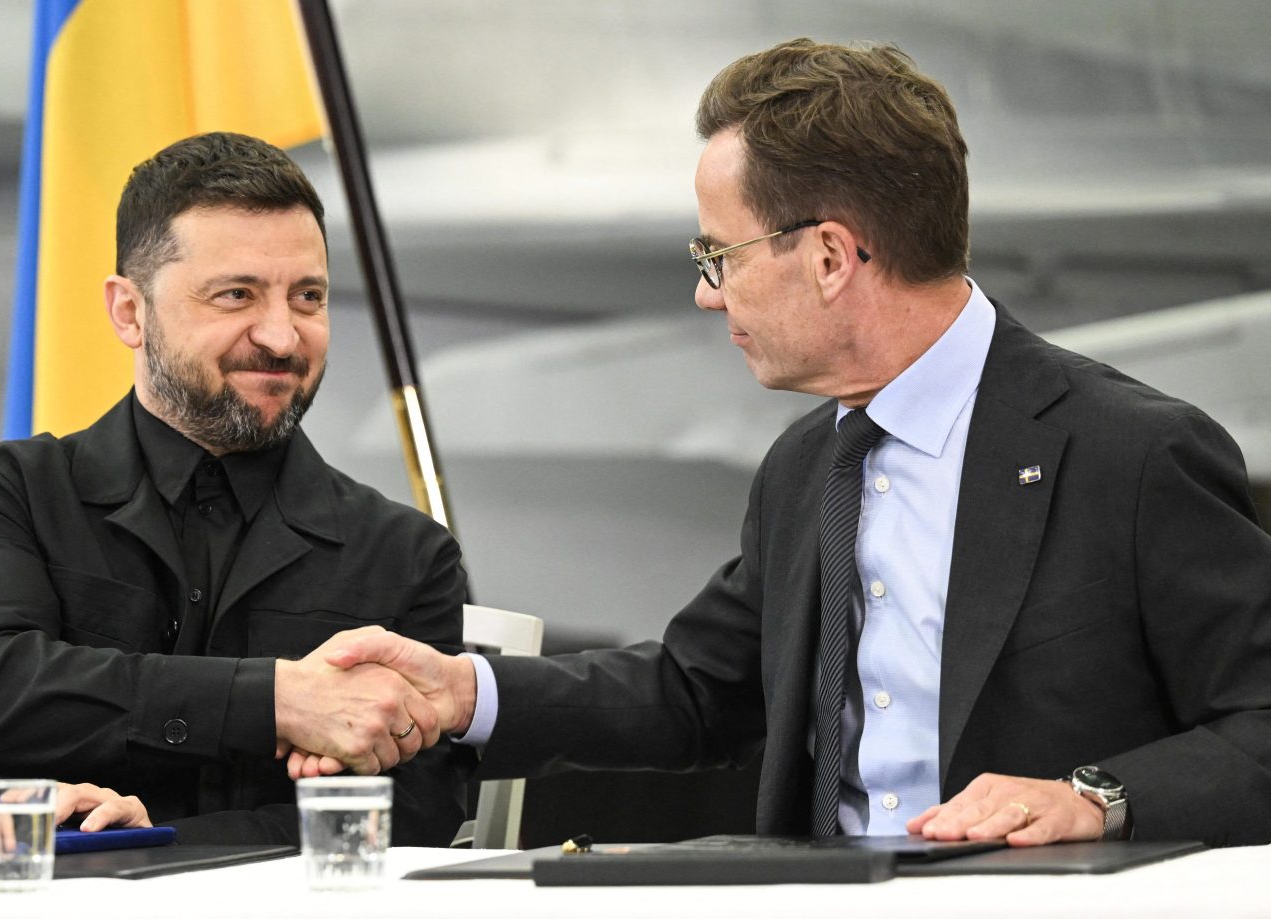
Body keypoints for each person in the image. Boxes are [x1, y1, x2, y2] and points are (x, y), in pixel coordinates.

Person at [298, 39, 1271, 848]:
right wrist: (464, 692)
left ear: (832, 257)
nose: (705, 291)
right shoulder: (807, 468)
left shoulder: (1133, 456)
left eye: (717, 255)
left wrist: (1092, 797)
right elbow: (693, 693)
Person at [0, 132, 471, 845]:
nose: (280, 335)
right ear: (128, 312)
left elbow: (417, 813)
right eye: (236, 294)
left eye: (308, 296)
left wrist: (166, 839)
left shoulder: (407, 555)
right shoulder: (12, 493)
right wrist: (274, 701)